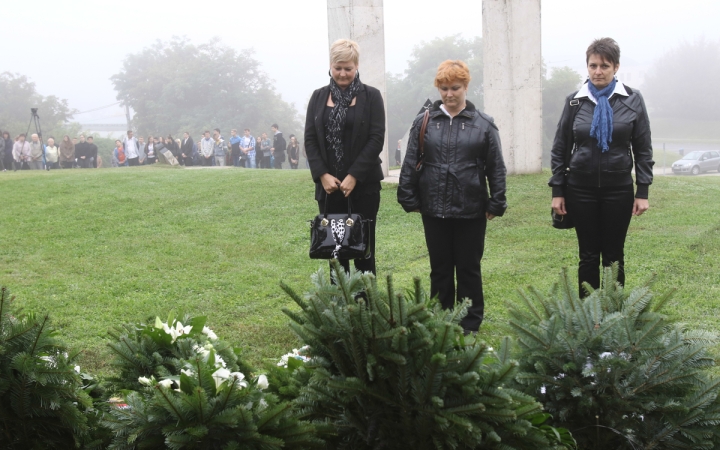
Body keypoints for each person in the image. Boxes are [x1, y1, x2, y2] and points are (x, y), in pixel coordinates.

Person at [397, 60, 507, 333]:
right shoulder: (424, 122)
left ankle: (469, 323)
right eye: (443, 88)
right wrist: (407, 195)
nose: (449, 94)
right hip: (434, 209)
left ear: (466, 87)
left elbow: (496, 166)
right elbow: (411, 160)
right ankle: (441, 319)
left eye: (455, 88)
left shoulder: (484, 125)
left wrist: (497, 201)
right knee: (440, 269)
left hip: (471, 209)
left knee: (469, 268)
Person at [549, 38, 653, 295]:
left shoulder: (632, 99)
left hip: (618, 190)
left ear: (615, 67)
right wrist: (558, 191)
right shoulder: (575, 102)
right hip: (580, 190)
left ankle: (614, 316)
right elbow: (560, 149)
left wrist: (643, 192)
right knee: (588, 255)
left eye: (604, 66)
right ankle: (588, 316)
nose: (598, 71)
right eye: (593, 65)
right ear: (587, 67)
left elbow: (643, 149)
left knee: (613, 256)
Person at [305, 38, 385, 275]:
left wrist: (354, 176)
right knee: (334, 254)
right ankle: (339, 308)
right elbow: (310, 140)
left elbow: (376, 138)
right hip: (329, 189)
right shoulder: (318, 97)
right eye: (337, 68)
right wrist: (322, 175)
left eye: (348, 68)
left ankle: (365, 308)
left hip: (364, 187)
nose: (342, 74)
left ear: (356, 66)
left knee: (363, 252)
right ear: (330, 65)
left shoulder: (371, 97)